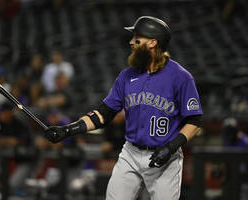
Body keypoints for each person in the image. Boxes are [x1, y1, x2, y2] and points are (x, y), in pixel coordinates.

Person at [44, 16, 203, 200]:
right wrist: (68, 130)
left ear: (152, 43)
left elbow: (194, 121)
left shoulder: (181, 77)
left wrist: (171, 148)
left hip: (166, 156)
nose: (131, 42)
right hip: (131, 153)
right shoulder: (127, 75)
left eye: (137, 38)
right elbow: (103, 114)